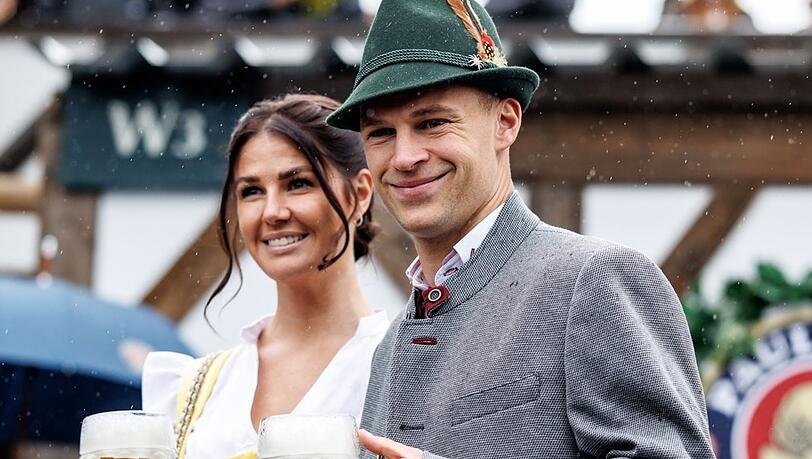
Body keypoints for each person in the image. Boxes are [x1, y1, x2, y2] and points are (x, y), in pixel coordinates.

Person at [324, 1, 716, 458]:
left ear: (506, 122)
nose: (404, 156)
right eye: (380, 133)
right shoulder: (389, 349)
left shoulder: (595, 279)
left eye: (432, 123)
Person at [142, 94, 390, 459]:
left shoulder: (403, 368)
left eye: (298, 183)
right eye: (252, 191)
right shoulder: (196, 388)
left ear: (360, 193)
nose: (273, 212)